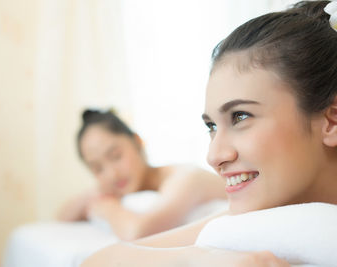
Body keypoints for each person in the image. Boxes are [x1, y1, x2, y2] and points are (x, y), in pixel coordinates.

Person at [81, 1, 337, 266]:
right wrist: (201, 257)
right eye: (211, 127)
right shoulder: (263, 214)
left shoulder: (190, 180)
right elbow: (98, 260)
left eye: (240, 116)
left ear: (332, 120)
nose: (213, 156)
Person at [58, 109, 226, 241]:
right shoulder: (122, 186)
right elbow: (63, 216)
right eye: (97, 168)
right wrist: (96, 193)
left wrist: (108, 208)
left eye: (116, 156)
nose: (112, 174)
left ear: (137, 141)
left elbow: (138, 233)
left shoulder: (186, 178)